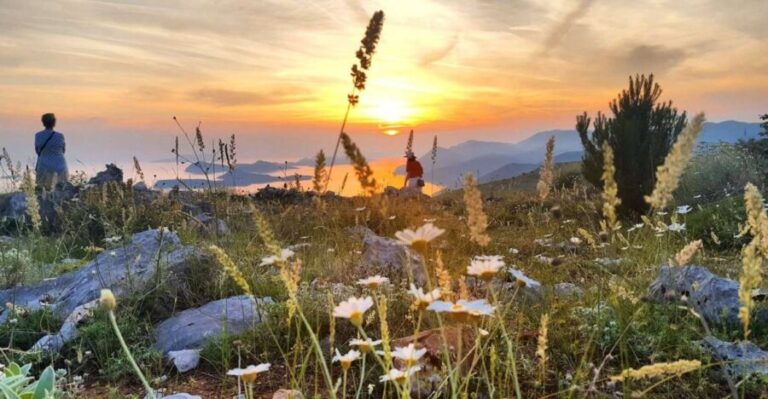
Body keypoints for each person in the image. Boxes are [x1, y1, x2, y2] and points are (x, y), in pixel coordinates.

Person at [35, 113, 68, 190]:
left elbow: (37, 151)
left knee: (42, 190)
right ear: (54, 122)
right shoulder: (60, 136)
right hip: (60, 165)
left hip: (43, 164)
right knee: (62, 189)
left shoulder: (38, 135)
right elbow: (63, 150)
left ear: (43, 122)